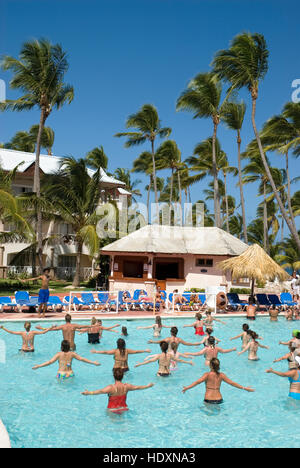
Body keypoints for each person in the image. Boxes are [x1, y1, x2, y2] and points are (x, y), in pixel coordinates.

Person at [182, 357, 254, 404]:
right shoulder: (221, 375)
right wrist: (244, 388)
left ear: (210, 365)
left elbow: (197, 382)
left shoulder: (207, 375)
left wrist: (187, 388)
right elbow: (232, 383)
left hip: (208, 400)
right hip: (219, 400)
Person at [81, 367, 154, 413]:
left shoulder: (111, 388)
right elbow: (137, 387)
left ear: (113, 376)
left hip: (112, 410)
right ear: (122, 376)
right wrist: (148, 386)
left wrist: (88, 392)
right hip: (124, 408)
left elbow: (100, 391)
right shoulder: (127, 386)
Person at [32, 340, 100, 380]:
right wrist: (93, 362)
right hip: (70, 374)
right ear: (69, 347)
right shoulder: (72, 354)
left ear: (61, 347)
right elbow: (82, 359)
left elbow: (50, 362)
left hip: (61, 374)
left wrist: (39, 366)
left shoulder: (59, 354)